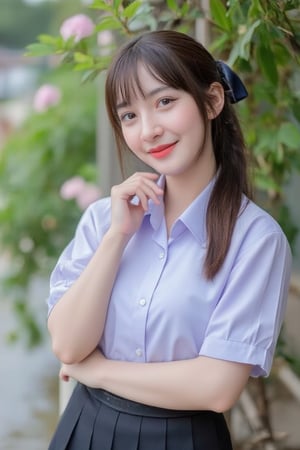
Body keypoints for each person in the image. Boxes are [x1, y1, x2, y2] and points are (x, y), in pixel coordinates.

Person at [47, 30, 292, 450]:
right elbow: (68, 344)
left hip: (183, 438)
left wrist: (98, 371)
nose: (149, 131)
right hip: (84, 430)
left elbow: (217, 387)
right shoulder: (105, 218)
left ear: (213, 101)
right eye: (129, 115)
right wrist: (118, 236)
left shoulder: (256, 240)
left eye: (164, 102)